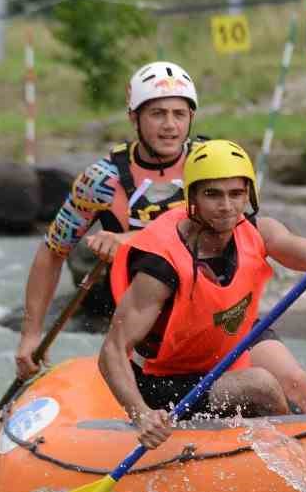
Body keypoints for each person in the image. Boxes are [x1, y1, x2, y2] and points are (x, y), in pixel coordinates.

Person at [99, 139, 306, 448]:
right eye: (212, 195)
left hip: (225, 345)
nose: (227, 206)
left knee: (294, 380)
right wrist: (141, 415)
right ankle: (286, 453)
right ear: (192, 197)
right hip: (165, 379)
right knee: (261, 386)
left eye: (236, 194)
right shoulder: (161, 265)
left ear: (249, 194)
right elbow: (112, 351)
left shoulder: (259, 229)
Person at [14, 61, 201, 380]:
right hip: (142, 323)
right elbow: (52, 251)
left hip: (208, 314)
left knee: (291, 377)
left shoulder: (210, 164)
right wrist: (31, 334)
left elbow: (238, 232)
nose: (170, 125)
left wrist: (130, 239)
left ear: (190, 118)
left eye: (179, 114)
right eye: (157, 114)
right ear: (134, 118)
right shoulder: (101, 180)